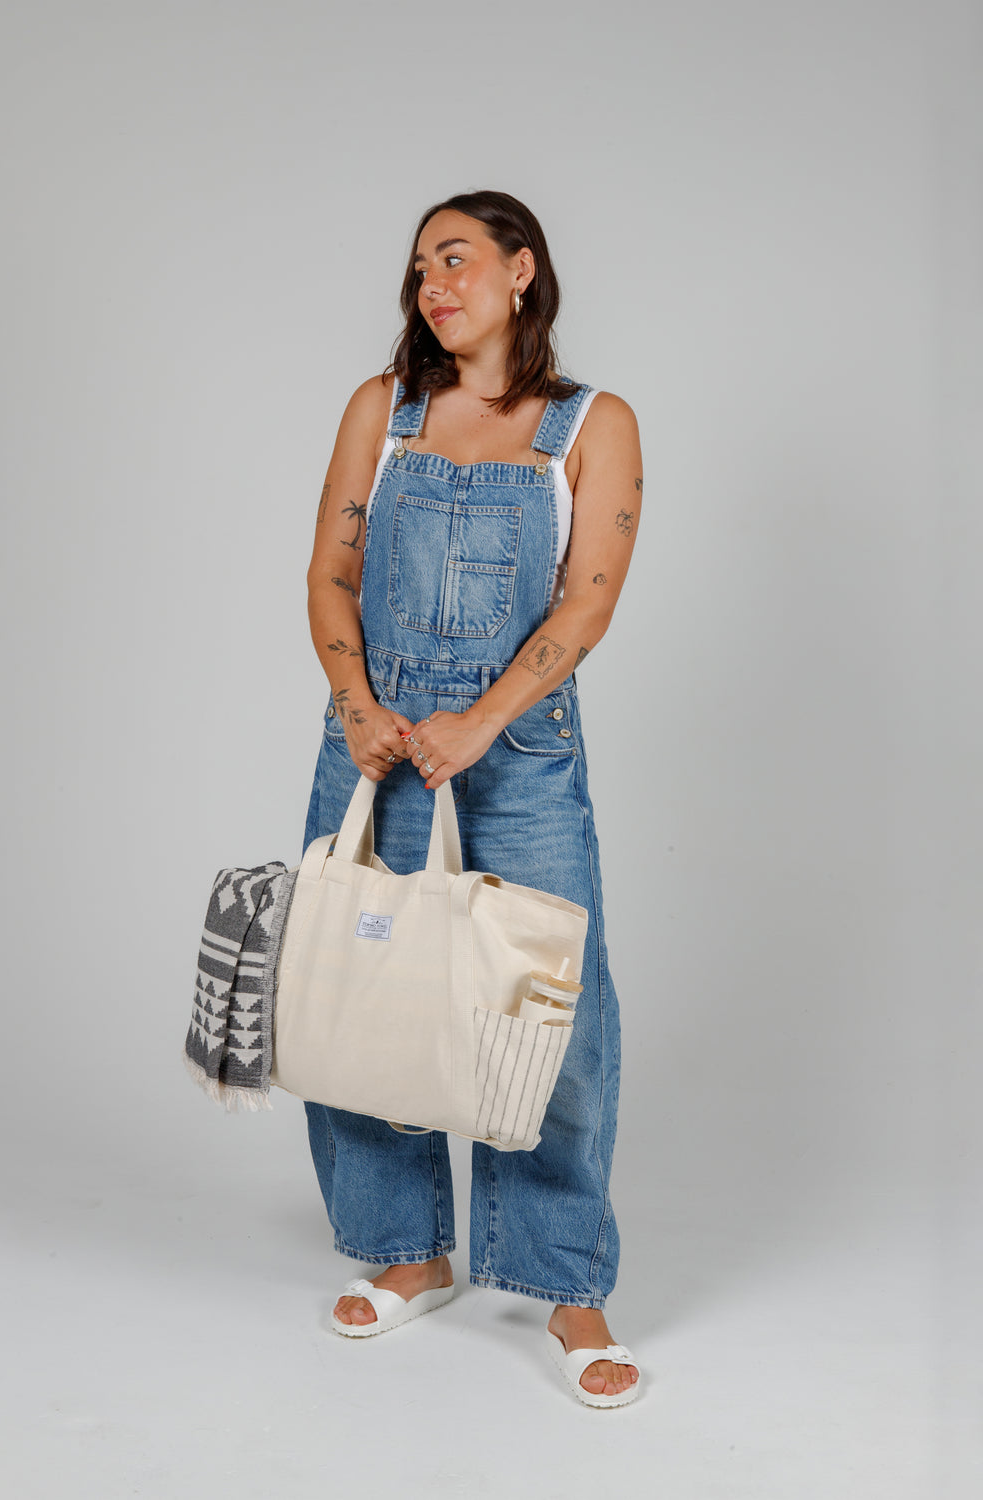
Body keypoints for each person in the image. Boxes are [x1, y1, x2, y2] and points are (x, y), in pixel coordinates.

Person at [300, 190, 643, 1408]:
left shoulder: (589, 424)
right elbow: (331, 576)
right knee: (359, 992)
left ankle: (563, 1278)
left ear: (519, 271)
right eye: (417, 268)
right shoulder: (379, 414)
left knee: (556, 1018)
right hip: (379, 747)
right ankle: (409, 1251)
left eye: (454, 260)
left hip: (522, 754)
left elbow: (586, 603)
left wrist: (480, 722)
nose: (431, 285)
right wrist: (358, 711)